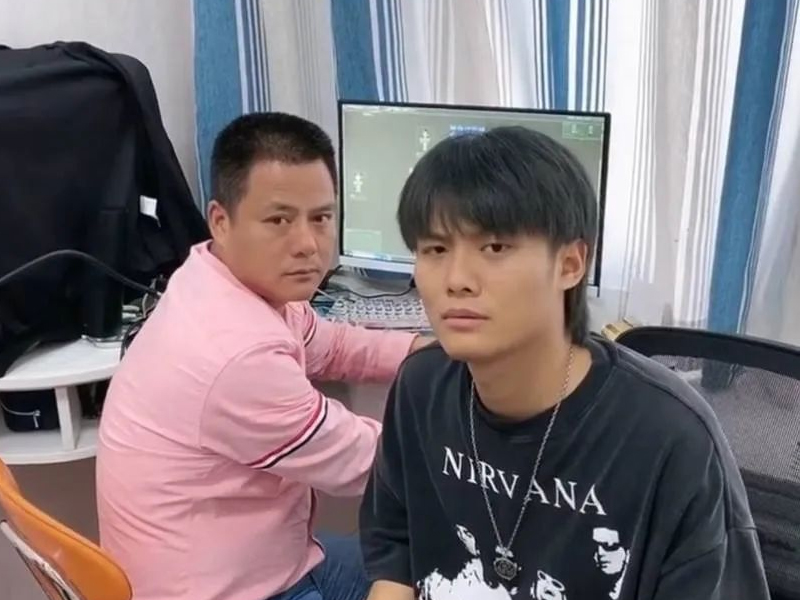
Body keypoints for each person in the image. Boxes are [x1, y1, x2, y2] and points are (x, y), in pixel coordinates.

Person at [359, 126, 770, 599]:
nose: (456, 280)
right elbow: (397, 552)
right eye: (435, 249)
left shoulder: (670, 436)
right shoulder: (421, 387)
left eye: (495, 247)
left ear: (571, 264)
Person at [96, 112, 430, 600]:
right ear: (221, 221)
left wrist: (432, 351)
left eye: (321, 218)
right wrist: (480, 447)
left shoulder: (220, 277)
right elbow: (365, 463)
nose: (307, 245)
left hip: (253, 559)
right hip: (227, 590)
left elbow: (333, 344)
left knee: (419, 560)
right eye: (279, 221)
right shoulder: (235, 353)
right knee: (441, 573)